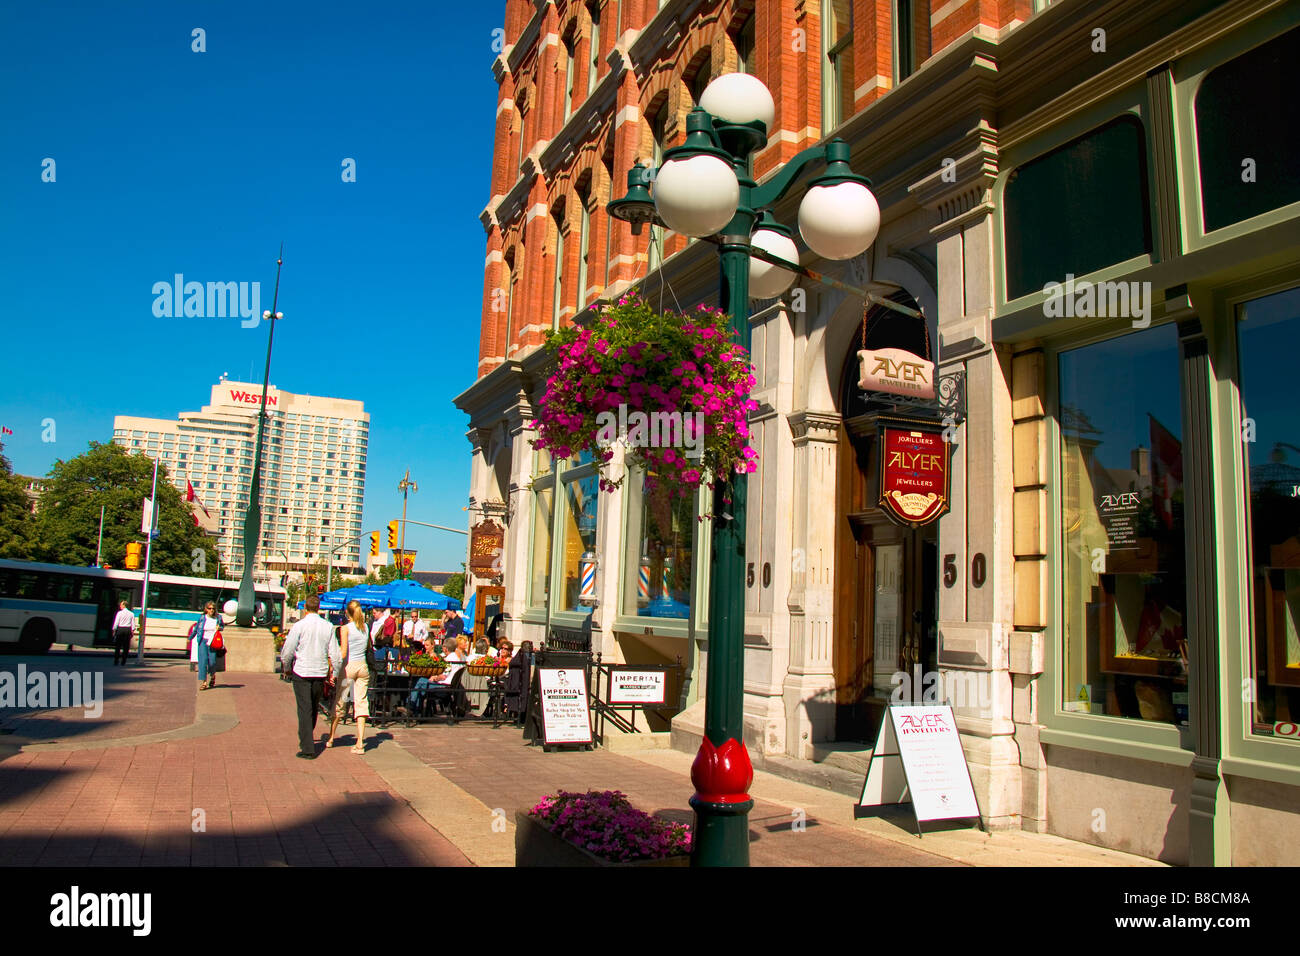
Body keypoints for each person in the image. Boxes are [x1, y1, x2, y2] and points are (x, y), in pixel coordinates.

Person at [280, 595, 342, 759]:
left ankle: (307, 747)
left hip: (302, 670)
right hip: (319, 672)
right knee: (313, 707)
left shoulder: (299, 625)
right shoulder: (328, 627)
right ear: (319, 607)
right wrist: (334, 673)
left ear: (306, 608)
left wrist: (286, 668)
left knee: (304, 709)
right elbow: (335, 654)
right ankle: (308, 738)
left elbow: (288, 650)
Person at [326, 599, 373, 754]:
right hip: (362, 666)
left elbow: (344, 652)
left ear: (347, 613)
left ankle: (331, 737)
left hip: (349, 667)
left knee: (341, 700)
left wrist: (333, 666)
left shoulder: (345, 628)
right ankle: (360, 742)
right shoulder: (366, 627)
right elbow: (367, 648)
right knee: (361, 702)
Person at [195, 602, 224, 690]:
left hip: (212, 642)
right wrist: (190, 637)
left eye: (213, 608)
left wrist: (220, 628)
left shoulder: (218, 618)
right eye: (209, 608)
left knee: (212, 662)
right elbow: (197, 628)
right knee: (203, 662)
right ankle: (204, 682)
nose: (211, 610)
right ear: (206, 609)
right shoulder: (202, 617)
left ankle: (213, 675)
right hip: (203, 641)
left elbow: (222, 627)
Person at [505, 639, 533, 725]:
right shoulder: (526, 657)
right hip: (522, 684)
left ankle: (519, 718)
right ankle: (521, 718)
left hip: (520, 684)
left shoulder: (519, 657)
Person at [111, 601, 135, 665]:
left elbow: (116, 622)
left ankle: (116, 661)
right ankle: (123, 661)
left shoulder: (119, 613)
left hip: (120, 629)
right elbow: (133, 624)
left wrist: (114, 630)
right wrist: (132, 631)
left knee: (118, 646)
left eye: (121, 605)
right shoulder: (131, 613)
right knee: (126, 647)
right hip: (127, 630)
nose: (120, 606)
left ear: (124, 605)